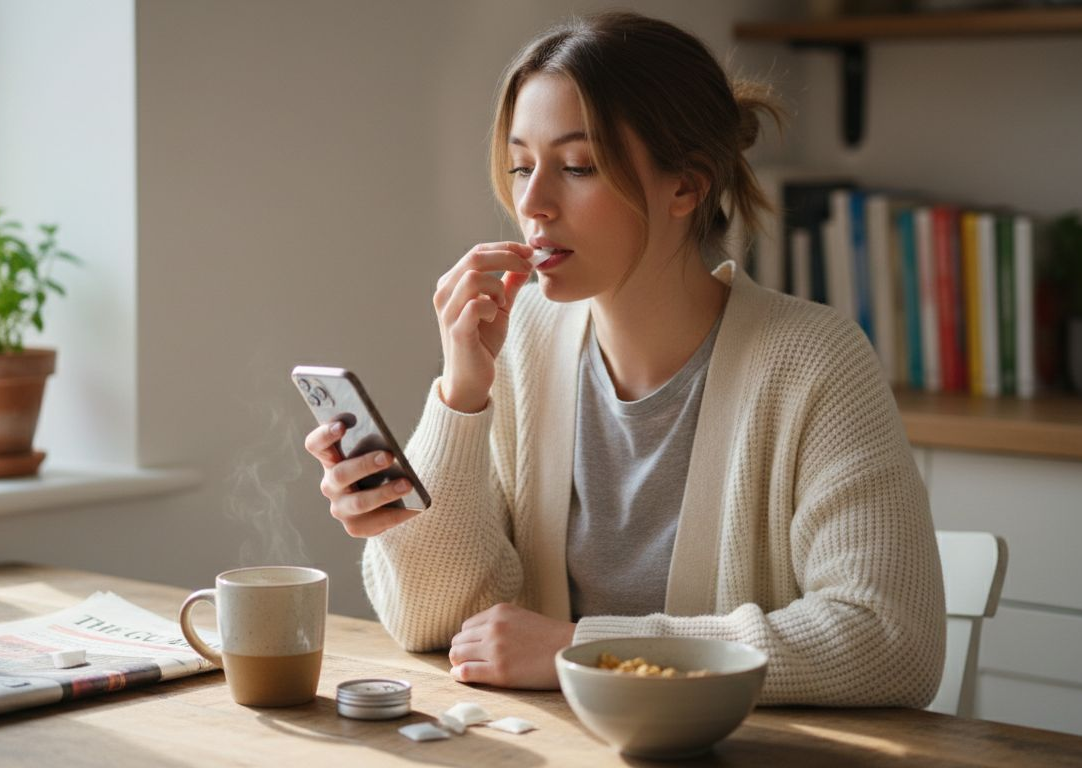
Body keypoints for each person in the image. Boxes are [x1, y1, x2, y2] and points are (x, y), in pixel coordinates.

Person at [305, 10, 944, 707]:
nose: (532, 203)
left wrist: (588, 650)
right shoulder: (520, 342)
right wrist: (461, 397)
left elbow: (892, 642)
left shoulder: (817, 362)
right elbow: (435, 623)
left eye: (577, 167)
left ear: (686, 187)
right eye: (521, 166)